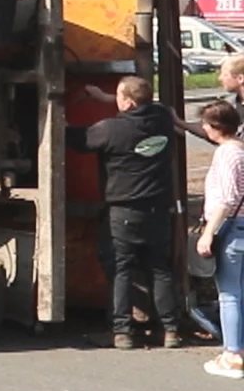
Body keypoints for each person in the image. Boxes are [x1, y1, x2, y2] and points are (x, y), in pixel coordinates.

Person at [67, 75, 184, 349]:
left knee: (121, 271)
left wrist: (60, 121)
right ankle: (171, 330)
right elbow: (147, 104)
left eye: (118, 96)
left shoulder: (110, 130)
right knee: (160, 269)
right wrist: (106, 96)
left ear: (128, 102)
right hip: (157, 209)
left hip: (123, 211)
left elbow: (77, 139)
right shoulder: (162, 119)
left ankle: (122, 331)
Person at [196, 100, 244, 378]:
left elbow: (226, 197)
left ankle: (232, 353)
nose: (203, 128)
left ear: (216, 128)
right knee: (240, 290)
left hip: (230, 227)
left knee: (228, 294)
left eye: (205, 124)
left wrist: (208, 232)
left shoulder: (226, 153)